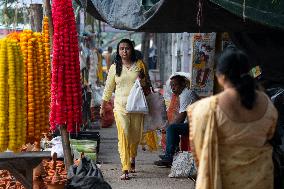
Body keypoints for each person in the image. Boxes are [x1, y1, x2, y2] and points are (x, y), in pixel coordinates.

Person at [187, 46, 278, 189]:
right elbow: (271, 134)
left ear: (221, 76)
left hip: (224, 181)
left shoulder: (206, 109)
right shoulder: (267, 103)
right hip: (261, 179)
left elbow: (199, 149)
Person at [100, 39, 152, 180]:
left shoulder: (139, 65)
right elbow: (108, 88)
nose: (124, 51)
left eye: (127, 48)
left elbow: (147, 85)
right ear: (118, 51)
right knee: (124, 133)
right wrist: (103, 105)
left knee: (134, 136)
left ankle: (132, 156)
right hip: (120, 107)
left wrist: (142, 79)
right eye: (121, 48)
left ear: (132, 50)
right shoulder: (114, 67)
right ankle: (125, 167)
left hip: (136, 107)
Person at [154, 73, 199, 167]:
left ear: (182, 84)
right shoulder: (184, 94)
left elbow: (181, 117)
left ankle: (169, 157)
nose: (173, 88)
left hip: (198, 125)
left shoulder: (186, 95)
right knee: (172, 128)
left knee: (172, 128)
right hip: (194, 123)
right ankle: (170, 154)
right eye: (171, 86)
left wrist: (168, 128)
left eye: (175, 85)